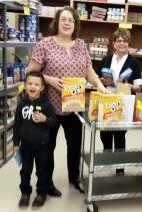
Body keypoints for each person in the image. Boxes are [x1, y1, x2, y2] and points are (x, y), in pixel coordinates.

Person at [27, 6, 108, 195]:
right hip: (50, 106)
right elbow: (30, 72)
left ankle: (75, 178)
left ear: (75, 24)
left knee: (75, 145)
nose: (66, 23)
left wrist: (99, 86)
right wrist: (48, 79)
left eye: (70, 20)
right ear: (57, 22)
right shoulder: (45, 44)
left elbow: (89, 70)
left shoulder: (80, 45)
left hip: (74, 106)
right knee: (48, 147)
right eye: (63, 19)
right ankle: (46, 183)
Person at [97, 28, 142, 175]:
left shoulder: (133, 62)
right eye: (118, 40)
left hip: (124, 103)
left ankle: (120, 167)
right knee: (104, 133)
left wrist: (125, 84)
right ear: (114, 43)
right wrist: (102, 81)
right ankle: (108, 156)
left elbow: (138, 87)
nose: (121, 43)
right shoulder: (106, 59)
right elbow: (97, 80)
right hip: (106, 100)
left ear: (128, 43)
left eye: (124, 40)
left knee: (120, 134)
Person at [13, 71, 57, 208]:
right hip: (25, 144)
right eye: (30, 83)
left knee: (42, 170)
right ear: (25, 85)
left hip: (42, 144)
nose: (33, 87)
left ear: (42, 87)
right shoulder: (21, 104)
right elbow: (16, 124)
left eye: (36, 84)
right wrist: (15, 143)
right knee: (25, 171)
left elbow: (54, 122)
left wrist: (44, 119)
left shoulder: (46, 104)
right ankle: (25, 193)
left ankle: (41, 193)